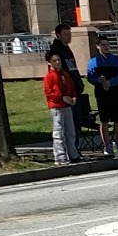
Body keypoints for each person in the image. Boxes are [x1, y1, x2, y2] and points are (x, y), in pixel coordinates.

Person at [85, 29, 118, 158]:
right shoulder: (93, 62)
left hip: (115, 92)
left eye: (107, 45)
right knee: (104, 119)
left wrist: (111, 82)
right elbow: (90, 77)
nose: (106, 47)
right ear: (98, 46)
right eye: (103, 45)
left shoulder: (116, 60)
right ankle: (107, 145)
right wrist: (98, 81)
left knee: (117, 119)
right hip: (101, 94)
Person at [43, 35, 82, 165]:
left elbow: (71, 87)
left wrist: (73, 96)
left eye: (59, 60)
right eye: (55, 61)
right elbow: (49, 93)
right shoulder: (49, 77)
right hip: (56, 106)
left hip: (67, 106)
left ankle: (73, 154)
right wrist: (61, 97)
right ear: (49, 63)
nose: (58, 62)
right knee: (58, 132)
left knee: (70, 131)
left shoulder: (65, 74)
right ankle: (60, 156)